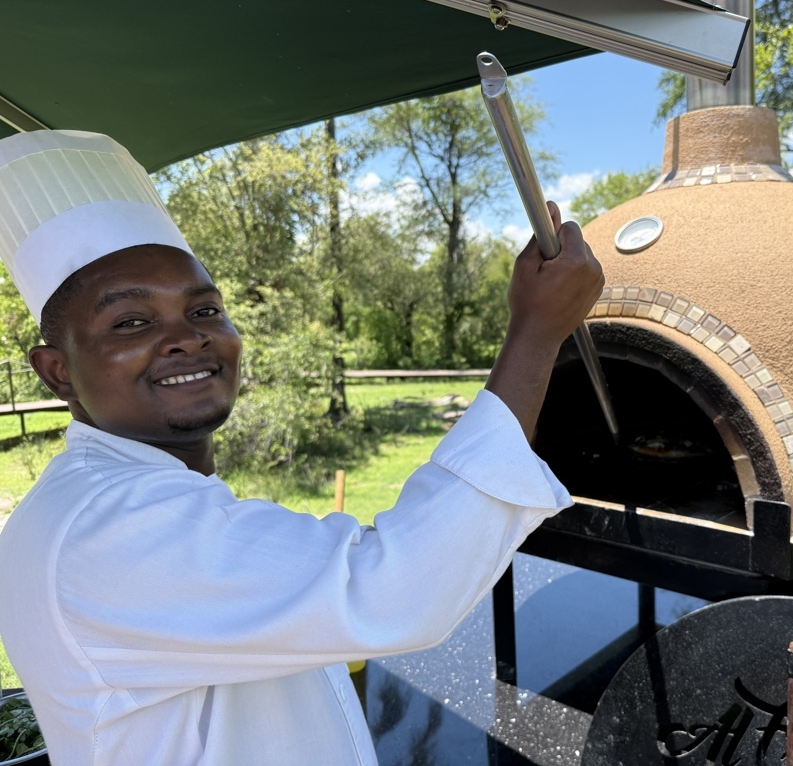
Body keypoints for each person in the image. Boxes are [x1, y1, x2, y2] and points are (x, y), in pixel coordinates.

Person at [0, 130, 604, 765]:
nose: (186, 339)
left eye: (204, 311)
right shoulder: (104, 527)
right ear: (56, 371)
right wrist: (536, 331)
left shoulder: (137, 497)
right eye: (131, 322)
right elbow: (393, 590)